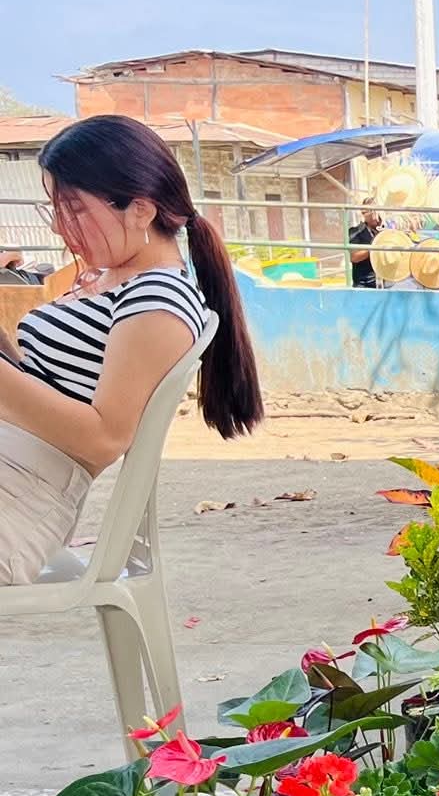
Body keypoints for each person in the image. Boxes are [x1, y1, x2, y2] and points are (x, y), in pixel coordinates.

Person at [0, 115, 263, 584]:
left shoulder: (158, 298)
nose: (60, 227)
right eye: (54, 209)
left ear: (140, 210)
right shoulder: (108, 280)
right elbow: (45, 386)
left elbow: (104, 437)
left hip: (19, 499)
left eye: (74, 208)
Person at [348, 207, 382, 288]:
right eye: (373, 212)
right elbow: (354, 257)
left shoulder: (384, 231)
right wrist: (374, 248)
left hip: (384, 281)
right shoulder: (356, 232)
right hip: (364, 284)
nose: (376, 217)